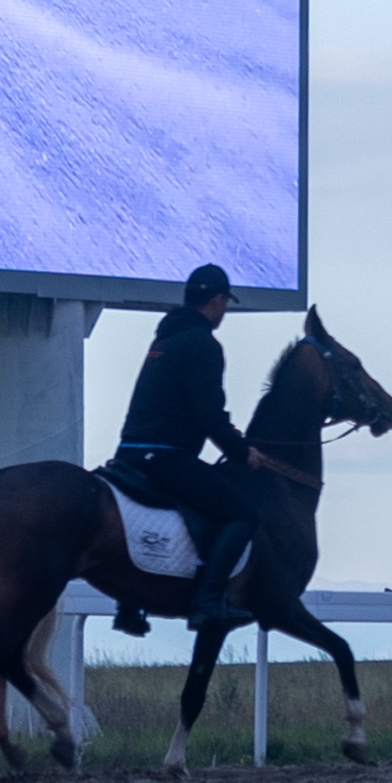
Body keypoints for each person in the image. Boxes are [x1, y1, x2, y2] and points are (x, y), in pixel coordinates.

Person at [108, 264, 266, 624]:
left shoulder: (163, 340)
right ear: (216, 300)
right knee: (243, 514)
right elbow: (208, 415)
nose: (225, 309)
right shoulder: (204, 344)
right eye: (225, 301)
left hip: (128, 455)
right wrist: (242, 453)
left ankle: (129, 603)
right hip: (165, 458)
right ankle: (208, 603)